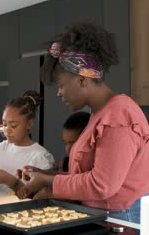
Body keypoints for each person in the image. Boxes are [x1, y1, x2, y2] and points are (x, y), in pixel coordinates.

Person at [21, 22, 149, 224]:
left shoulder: (118, 116)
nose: (59, 93)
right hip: (105, 216)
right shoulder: (100, 114)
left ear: (82, 80)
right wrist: (44, 174)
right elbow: (88, 174)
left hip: (120, 221)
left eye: (62, 86)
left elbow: (102, 185)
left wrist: (49, 181)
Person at [0, 90, 55, 195]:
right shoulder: (2, 147)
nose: (7, 130)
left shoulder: (40, 156)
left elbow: (39, 196)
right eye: (4, 124)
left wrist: (9, 180)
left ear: (29, 124)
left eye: (13, 126)